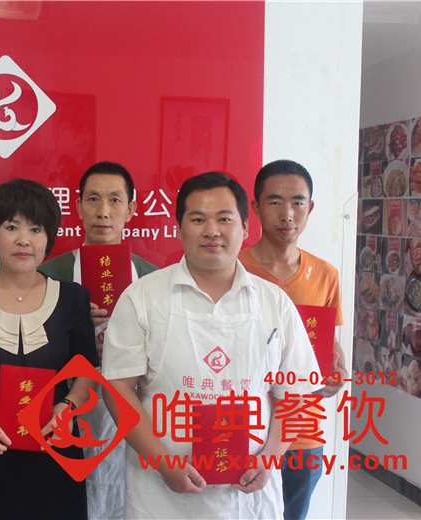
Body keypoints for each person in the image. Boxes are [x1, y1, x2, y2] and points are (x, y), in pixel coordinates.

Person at [102, 172, 322, 519]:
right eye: (198, 219)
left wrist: (270, 457)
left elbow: (296, 392)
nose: (212, 231)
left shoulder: (274, 303)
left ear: (245, 228)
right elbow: (117, 388)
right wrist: (163, 462)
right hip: (161, 498)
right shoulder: (142, 298)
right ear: (179, 228)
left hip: (248, 499)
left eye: (224, 219)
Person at [0, 179, 98, 519]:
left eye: (36, 229)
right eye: (12, 227)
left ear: (49, 238)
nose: (24, 240)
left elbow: (86, 373)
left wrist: (68, 408)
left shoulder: (72, 298)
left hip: (54, 457)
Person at [39, 161, 156, 519]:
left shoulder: (153, 280)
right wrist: (69, 325)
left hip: (134, 409)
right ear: (78, 207)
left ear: (131, 209)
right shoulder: (49, 275)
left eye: (115, 200)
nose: (103, 212)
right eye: (93, 199)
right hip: (67, 407)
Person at [239, 159, 346, 520]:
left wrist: (337, 370)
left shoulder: (326, 275)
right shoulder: (234, 269)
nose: (287, 214)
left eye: (298, 202)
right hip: (246, 428)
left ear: (310, 208)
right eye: (274, 201)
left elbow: (329, 344)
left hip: (302, 430)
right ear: (255, 207)